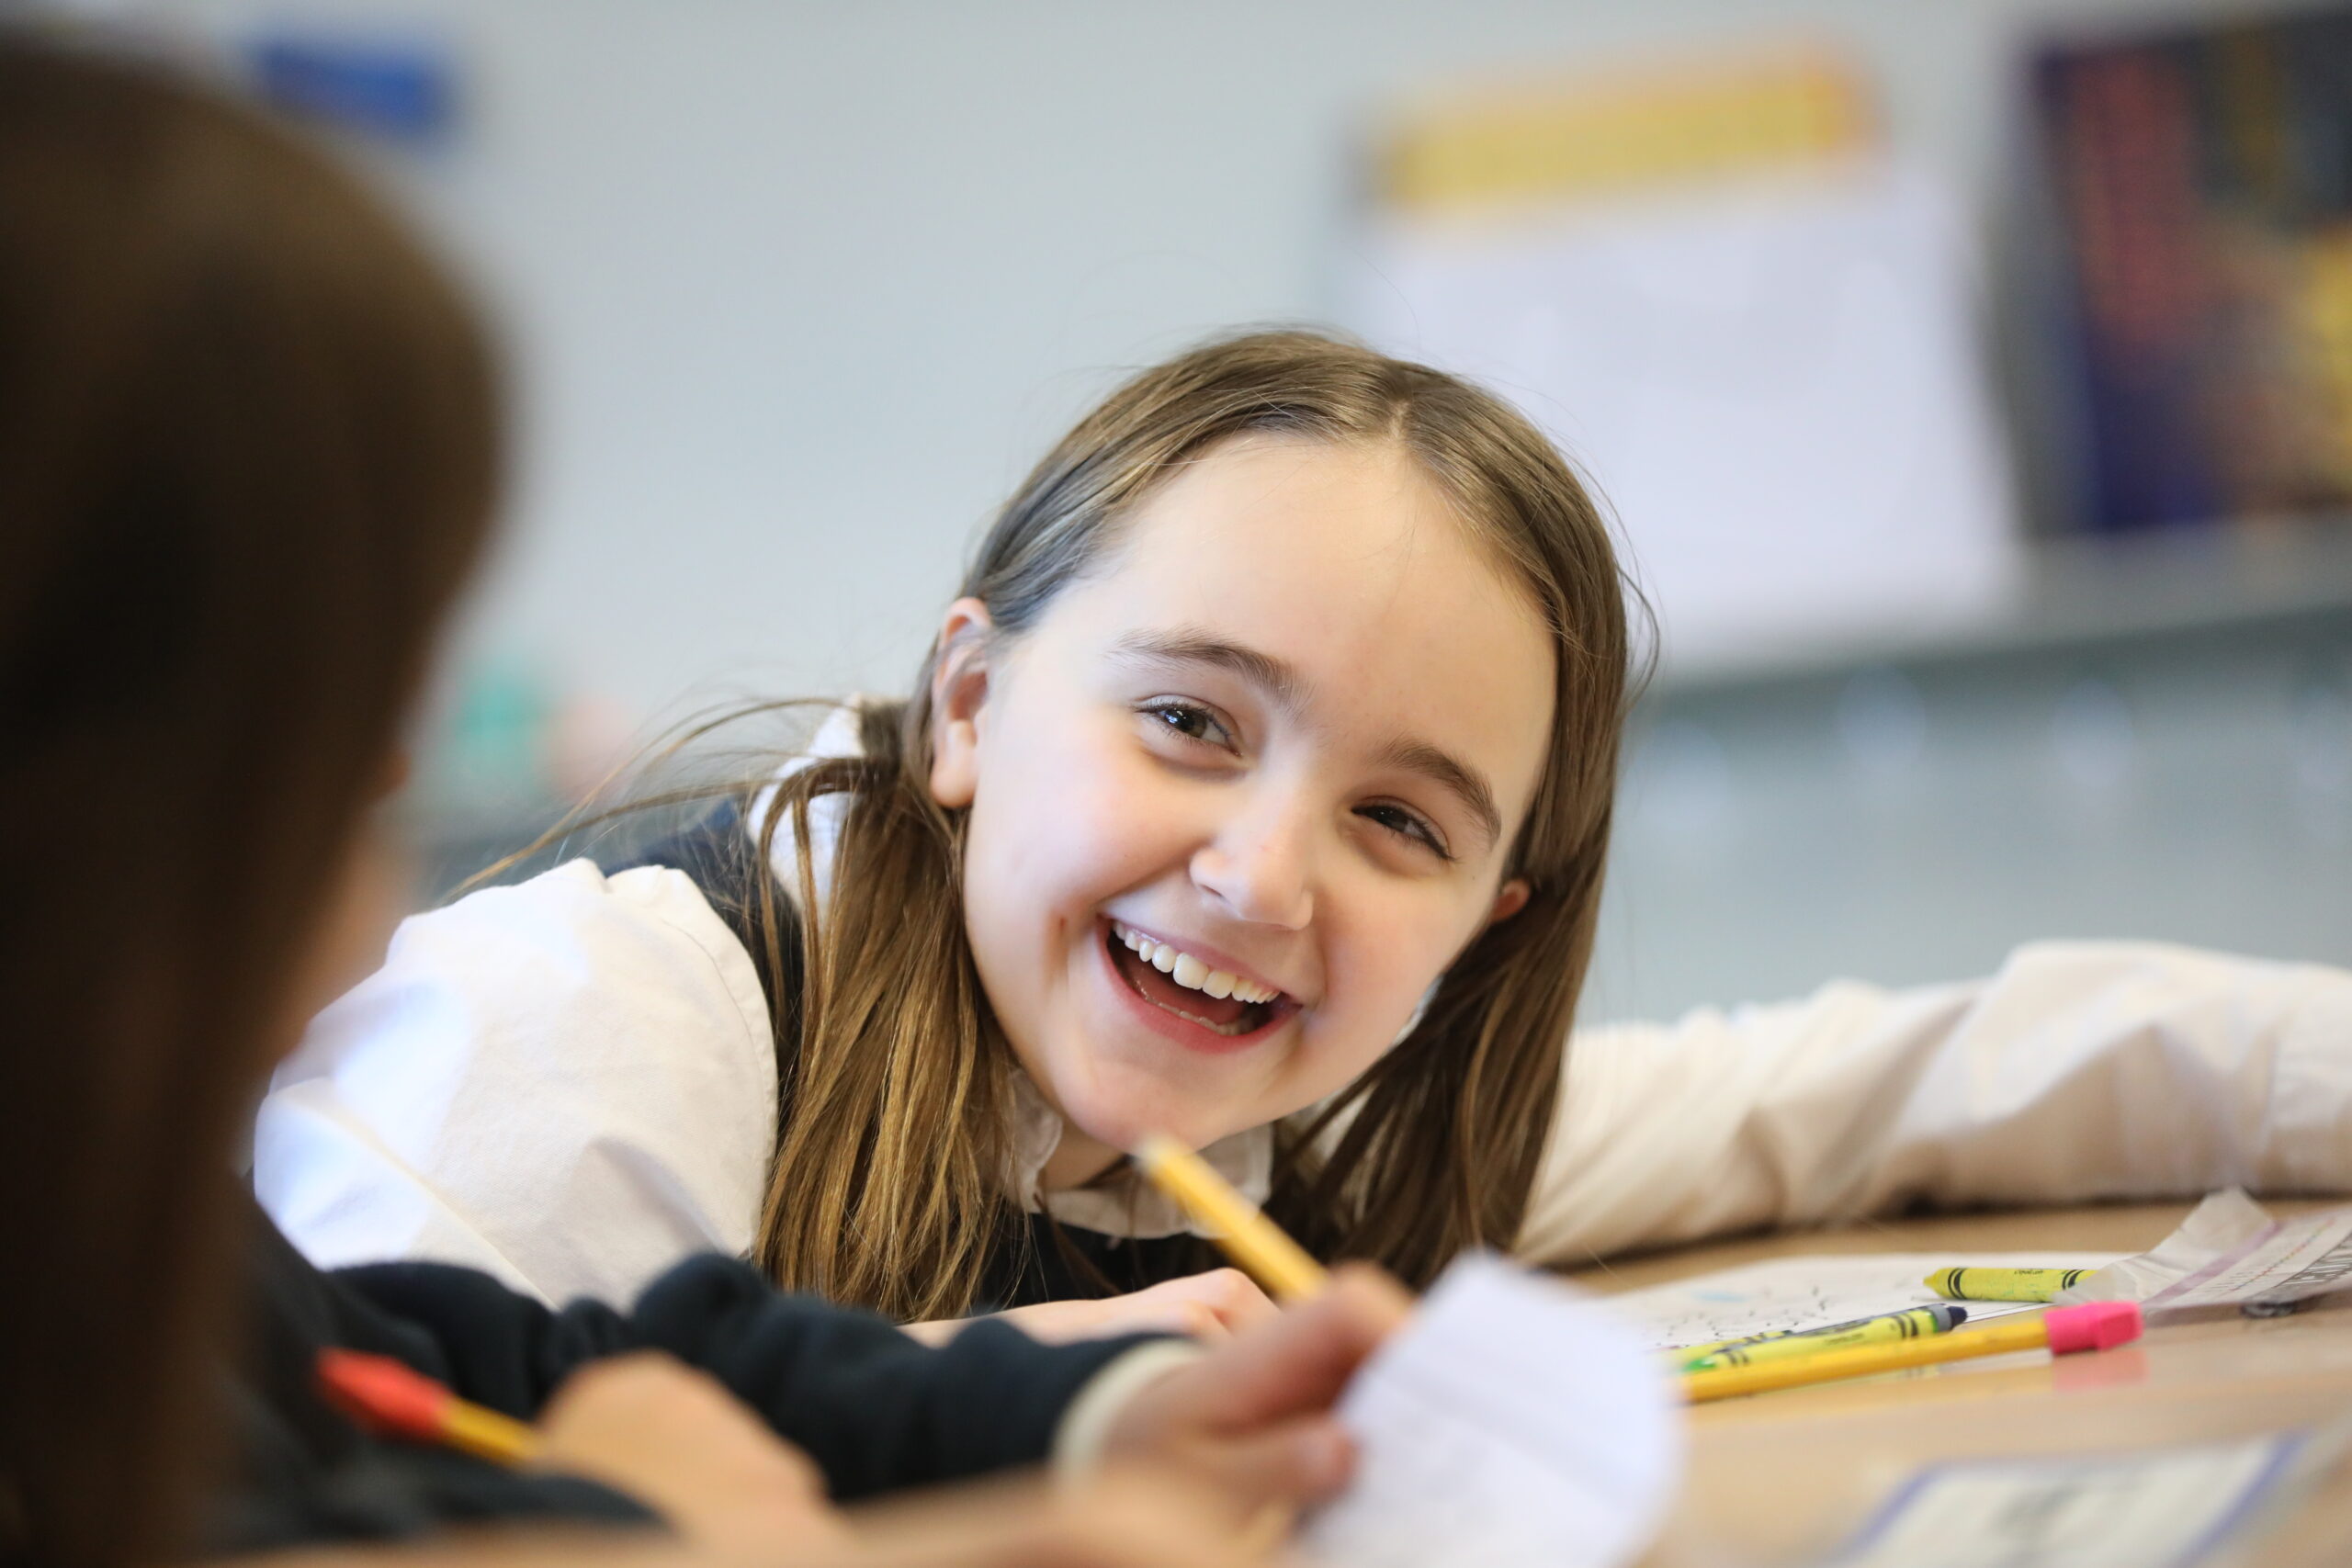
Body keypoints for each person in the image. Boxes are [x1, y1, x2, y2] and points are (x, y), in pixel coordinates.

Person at [0, 34, 1405, 1568]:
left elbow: (498, 1383)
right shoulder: (612, 1005)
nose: (1265, 874)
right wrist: (635, 1525)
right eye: (328, 737)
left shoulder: (132, 1249)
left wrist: (1080, 1421)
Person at [257, 343, 2352, 1339]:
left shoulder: (1314, 1133)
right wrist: (1032, 1382)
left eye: (1397, 820)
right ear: (969, 704)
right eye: (1186, 719)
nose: (1265, 875)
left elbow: (1870, 1085)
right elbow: (380, 1480)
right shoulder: (599, 1022)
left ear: (1480, 919)